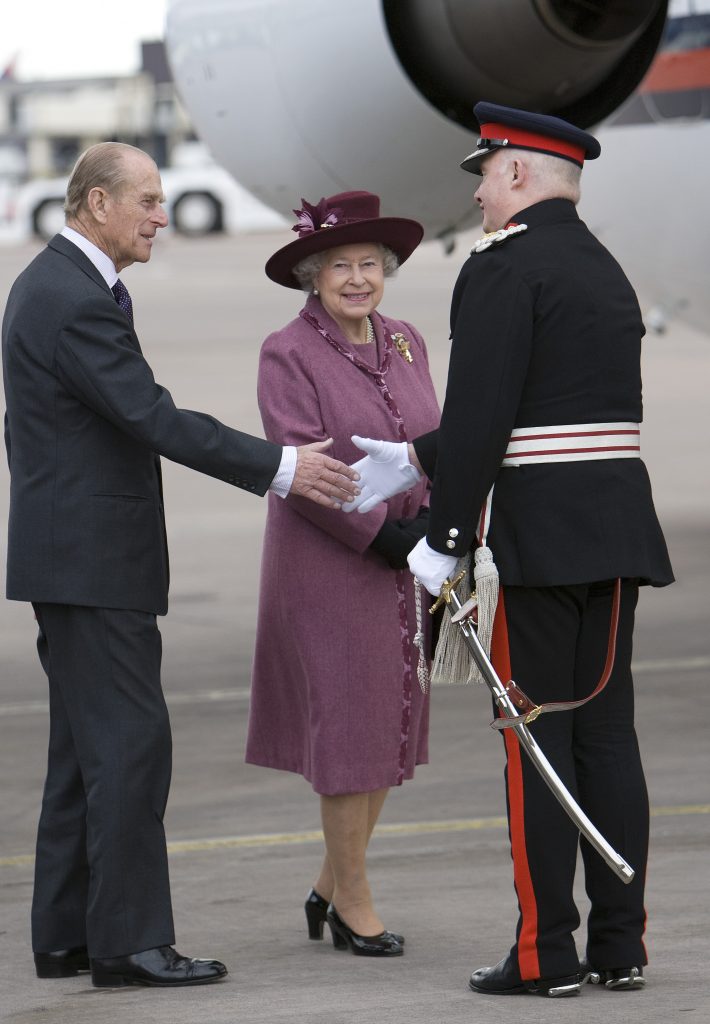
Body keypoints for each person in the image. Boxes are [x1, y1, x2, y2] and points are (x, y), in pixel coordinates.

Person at [1, 143, 360, 989]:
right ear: (96, 204)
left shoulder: (64, 285)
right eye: (148, 202)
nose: (162, 217)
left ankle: (66, 937)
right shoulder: (70, 298)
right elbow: (148, 414)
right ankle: (128, 945)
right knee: (130, 747)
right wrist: (280, 465)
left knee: (83, 753)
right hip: (93, 561)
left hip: (74, 557)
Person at [348, 104, 673, 995]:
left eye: (486, 174)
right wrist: (415, 456)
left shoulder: (503, 268)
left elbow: (490, 414)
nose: (482, 192)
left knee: (535, 743)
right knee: (606, 740)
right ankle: (620, 946)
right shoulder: (603, 270)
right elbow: (552, 409)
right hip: (611, 538)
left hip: (530, 542)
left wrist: (444, 540)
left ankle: (545, 955)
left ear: (521, 175)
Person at [246, 191, 440, 957]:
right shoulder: (286, 352)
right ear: (312, 275)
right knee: (347, 737)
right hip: (329, 566)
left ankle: (330, 885)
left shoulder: (407, 341)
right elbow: (302, 466)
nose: (357, 279)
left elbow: (434, 436)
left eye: (369, 265)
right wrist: (381, 534)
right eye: (341, 267)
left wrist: (437, 527)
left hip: (409, 561)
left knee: (388, 725)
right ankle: (355, 902)